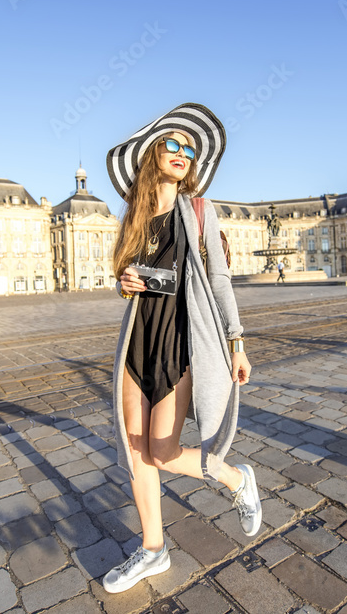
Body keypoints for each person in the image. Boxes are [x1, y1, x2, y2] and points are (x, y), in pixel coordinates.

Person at [102, 103, 262, 594]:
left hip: (181, 340)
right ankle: (153, 550)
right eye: (171, 144)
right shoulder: (133, 215)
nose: (182, 153)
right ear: (152, 153)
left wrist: (237, 342)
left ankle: (236, 480)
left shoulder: (199, 210)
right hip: (138, 340)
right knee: (135, 452)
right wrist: (125, 282)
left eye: (188, 149)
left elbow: (218, 279)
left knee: (164, 451)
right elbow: (128, 278)